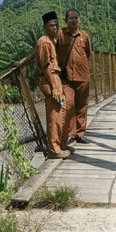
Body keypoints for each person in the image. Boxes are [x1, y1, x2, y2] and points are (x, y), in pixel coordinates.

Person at [35, 11, 70, 158]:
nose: (55, 28)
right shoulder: (44, 42)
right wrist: (55, 87)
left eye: (56, 25)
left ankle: (59, 145)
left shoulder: (50, 40)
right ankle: (55, 150)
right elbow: (46, 66)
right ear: (45, 26)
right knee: (54, 116)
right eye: (51, 26)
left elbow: (33, 55)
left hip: (55, 79)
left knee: (61, 112)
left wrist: (21, 62)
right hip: (50, 80)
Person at [60, 9, 92, 145]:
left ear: (80, 20)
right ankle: (70, 133)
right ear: (66, 20)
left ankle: (80, 133)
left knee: (82, 105)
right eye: (70, 18)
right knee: (68, 104)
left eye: (76, 18)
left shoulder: (84, 36)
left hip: (83, 76)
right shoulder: (60, 34)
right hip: (66, 77)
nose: (73, 20)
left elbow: (88, 53)